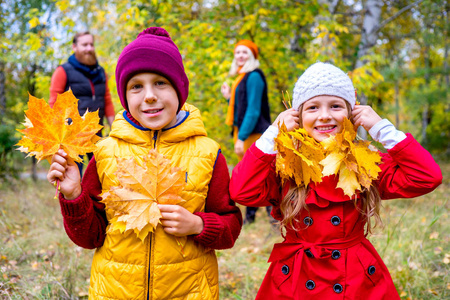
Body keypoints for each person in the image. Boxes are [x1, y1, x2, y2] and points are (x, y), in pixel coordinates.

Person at [47, 27, 242, 299]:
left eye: (160, 83)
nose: (149, 95)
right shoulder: (106, 153)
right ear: (125, 97)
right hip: (115, 290)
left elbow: (230, 226)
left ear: (179, 89)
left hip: (189, 291)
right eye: (136, 86)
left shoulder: (208, 153)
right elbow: (89, 237)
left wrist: (199, 225)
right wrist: (73, 195)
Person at [229, 62, 442, 299]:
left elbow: (427, 177)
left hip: (354, 279)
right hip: (297, 278)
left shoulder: (364, 162)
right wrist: (272, 134)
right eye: (312, 107)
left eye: (335, 106)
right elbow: (241, 191)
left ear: (352, 113)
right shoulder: (285, 165)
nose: (324, 116)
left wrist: (381, 128)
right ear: (296, 116)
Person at [49, 31, 115, 175]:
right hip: (73, 137)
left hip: (97, 134)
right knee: (73, 177)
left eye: (91, 44)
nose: (89, 48)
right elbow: (54, 102)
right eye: (84, 44)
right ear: (74, 47)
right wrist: (57, 135)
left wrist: (114, 128)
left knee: (102, 176)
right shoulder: (63, 71)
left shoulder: (101, 72)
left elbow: (107, 101)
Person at [221, 39, 272, 224]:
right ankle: (251, 219)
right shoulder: (241, 77)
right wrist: (229, 97)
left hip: (254, 133)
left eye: (245, 52)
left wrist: (241, 138)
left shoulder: (254, 76)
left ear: (252, 56)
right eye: (237, 52)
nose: (240, 55)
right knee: (252, 175)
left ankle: (271, 219)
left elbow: (253, 110)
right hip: (244, 132)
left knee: (260, 174)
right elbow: (240, 108)